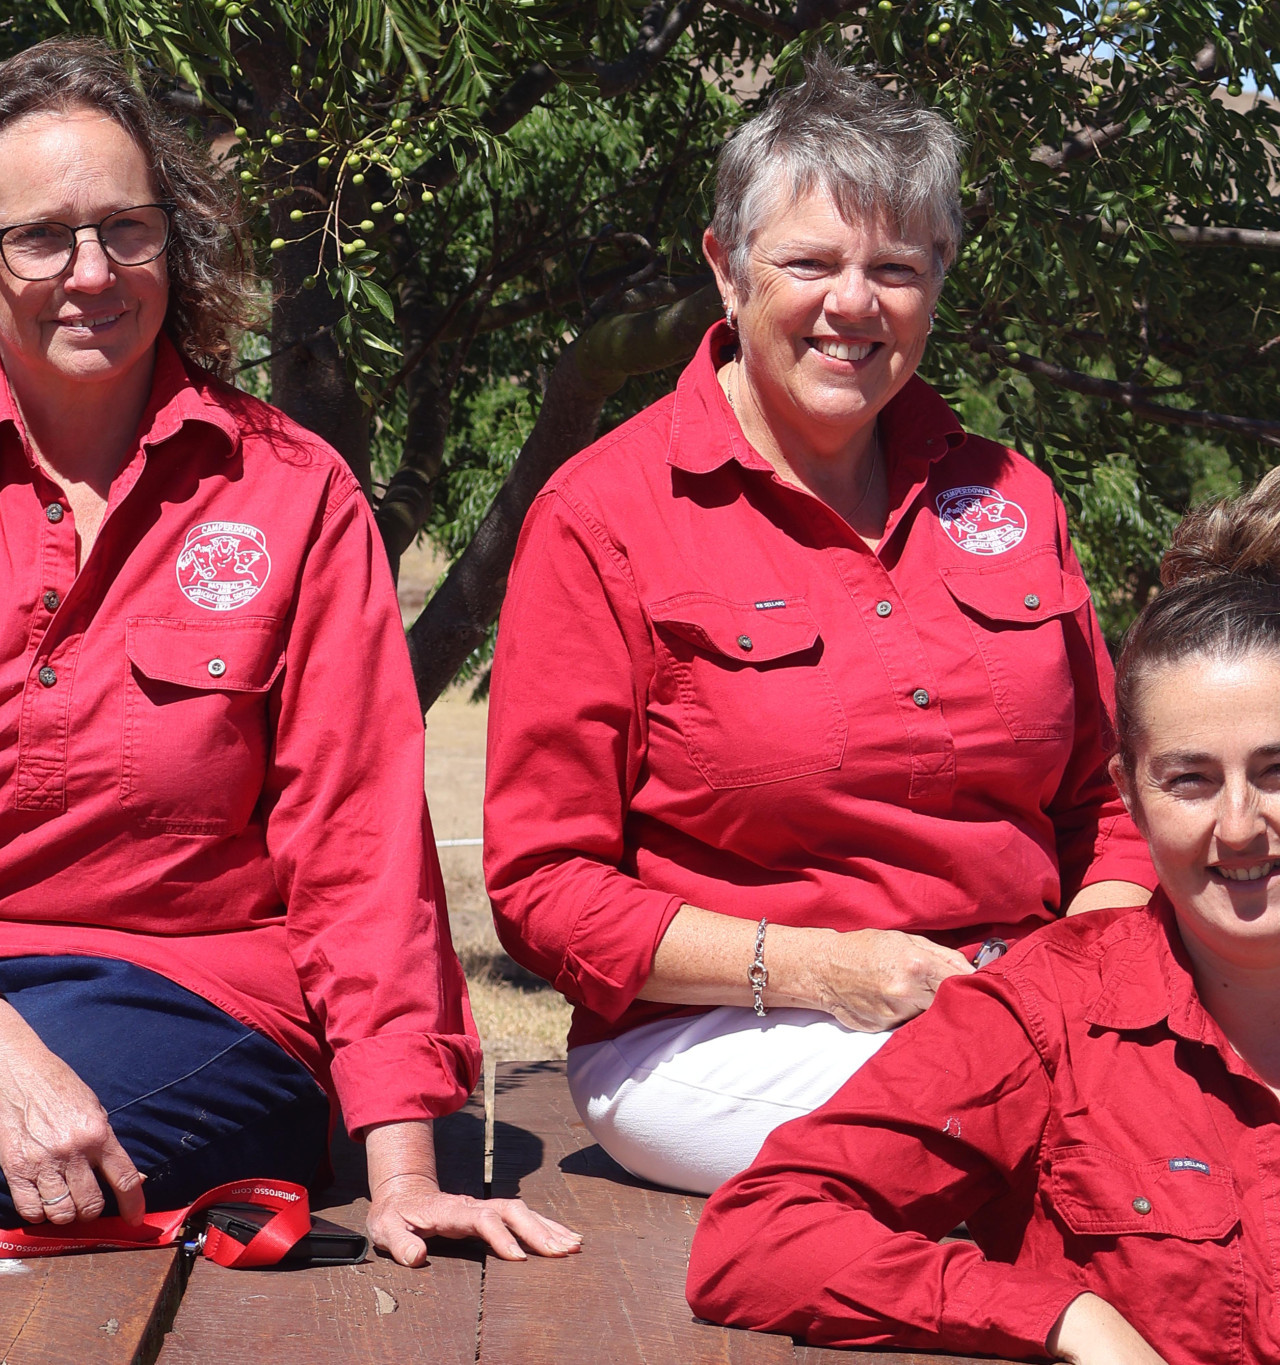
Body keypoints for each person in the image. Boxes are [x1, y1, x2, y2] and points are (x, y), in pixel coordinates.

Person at [0, 39, 575, 1364]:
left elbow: (361, 845)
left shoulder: (292, 491)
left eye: (124, 229)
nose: (91, 274)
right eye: (42, 237)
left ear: (172, 238)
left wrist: (401, 1164)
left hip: (197, 999)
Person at [688, 460, 1280, 1363]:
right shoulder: (1041, 1017)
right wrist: (1068, 1317)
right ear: (1130, 792)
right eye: (1190, 779)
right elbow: (759, 1235)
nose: (1239, 826)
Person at [483, 56, 1154, 1197]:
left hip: (1031, 1006)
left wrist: (1081, 973)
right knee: (1075, 1146)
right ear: (725, 268)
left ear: (938, 280)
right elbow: (544, 886)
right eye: (809, 262)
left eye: (895, 267)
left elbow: (1112, 806)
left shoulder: (1012, 499)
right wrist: (818, 969)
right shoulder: (601, 516)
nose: (854, 303)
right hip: (723, 1036)